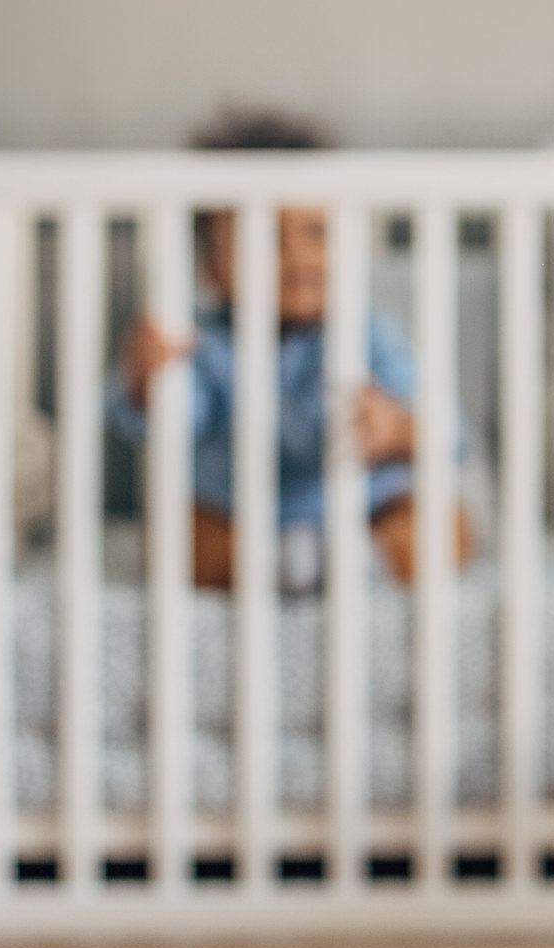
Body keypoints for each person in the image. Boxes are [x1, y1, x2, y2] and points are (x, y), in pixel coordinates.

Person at [110, 107, 460, 590]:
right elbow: (180, 416)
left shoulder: (368, 334)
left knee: (447, 523)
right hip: (240, 513)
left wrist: (400, 428)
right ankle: (274, 566)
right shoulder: (205, 342)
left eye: (317, 233)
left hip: (360, 511)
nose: (297, 257)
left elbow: (444, 425)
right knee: (176, 537)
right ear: (211, 266)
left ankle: (360, 563)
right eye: (266, 238)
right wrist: (150, 381)